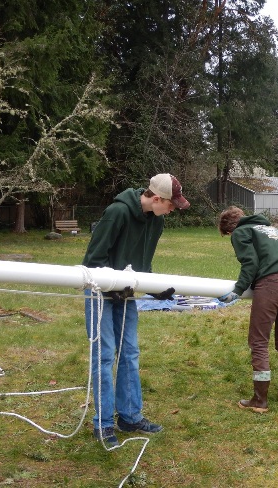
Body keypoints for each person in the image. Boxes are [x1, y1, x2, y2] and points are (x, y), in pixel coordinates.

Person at [83, 173, 190, 447]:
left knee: (129, 352)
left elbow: (143, 265)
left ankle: (129, 416)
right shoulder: (117, 212)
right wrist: (112, 284)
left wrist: (155, 289)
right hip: (100, 290)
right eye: (171, 205)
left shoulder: (157, 221)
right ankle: (104, 424)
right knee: (104, 356)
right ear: (157, 199)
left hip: (127, 291)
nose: (173, 210)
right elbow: (93, 260)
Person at [218, 206, 278, 413]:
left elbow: (250, 262)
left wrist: (238, 290)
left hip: (272, 284)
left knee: (258, 341)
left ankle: (260, 399)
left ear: (230, 228)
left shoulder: (241, 232)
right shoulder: (272, 229)